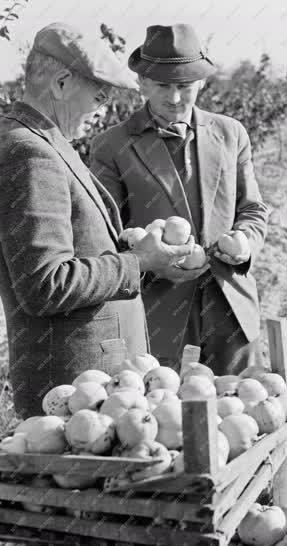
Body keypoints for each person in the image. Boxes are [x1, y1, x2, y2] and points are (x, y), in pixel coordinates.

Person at [0, 23, 193, 419]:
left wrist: (130, 248)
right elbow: (44, 284)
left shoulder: (48, 143)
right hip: (72, 394)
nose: (105, 106)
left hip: (93, 387)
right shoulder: (29, 153)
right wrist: (139, 263)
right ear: (62, 82)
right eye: (100, 94)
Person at [91, 24, 269, 376]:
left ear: (200, 83)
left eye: (184, 87)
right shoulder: (112, 146)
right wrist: (147, 255)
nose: (174, 98)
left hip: (230, 304)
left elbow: (252, 209)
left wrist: (245, 243)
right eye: (162, 86)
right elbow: (104, 229)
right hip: (158, 311)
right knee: (166, 415)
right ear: (141, 83)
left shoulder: (231, 134)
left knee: (242, 412)